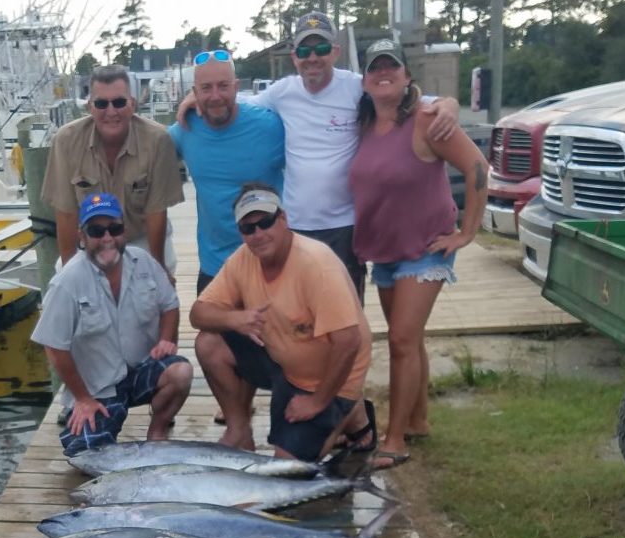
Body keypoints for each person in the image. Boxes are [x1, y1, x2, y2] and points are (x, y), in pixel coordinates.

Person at [248, 13, 459, 299]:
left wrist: (448, 104)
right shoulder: (281, 92)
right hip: (296, 224)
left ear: (335, 51)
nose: (313, 57)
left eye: (321, 49)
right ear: (294, 56)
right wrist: (193, 98)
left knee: (346, 314)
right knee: (300, 310)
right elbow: (237, 105)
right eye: (304, 50)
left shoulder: (356, 86)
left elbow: (407, 95)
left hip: (345, 227)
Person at [349, 38, 488, 468]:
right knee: (409, 340)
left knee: (401, 340)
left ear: (408, 76)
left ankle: (394, 438)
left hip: (426, 248)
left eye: (392, 66)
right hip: (384, 251)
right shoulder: (364, 125)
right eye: (375, 68)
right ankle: (419, 419)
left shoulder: (429, 120)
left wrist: (466, 232)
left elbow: (477, 166)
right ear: (366, 81)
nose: (383, 72)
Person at [189, 183, 372, 461]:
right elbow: (197, 314)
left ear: (283, 219)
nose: (258, 234)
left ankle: (349, 411)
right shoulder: (242, 259)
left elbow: (349, 342)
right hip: (283, 361)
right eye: (248, 228)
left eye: (265, 222)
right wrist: (235, 318)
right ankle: (239, 430)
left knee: (287, 468)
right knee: (208, 342)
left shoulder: (316, 263)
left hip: (327, 378)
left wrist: (317, 401)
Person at [32, 191, 192, 457]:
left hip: (141, 370)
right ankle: (94, 419)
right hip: (97, 389)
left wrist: (166, 339)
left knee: (181, 373)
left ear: (124, 231)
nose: (107, 238)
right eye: (96, 231)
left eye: (114, 229)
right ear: (82, 237)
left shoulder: (144, 262)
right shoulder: (67, 281)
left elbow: (170, 304)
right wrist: (82, 398)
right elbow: (54, 346)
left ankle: (158, 431)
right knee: (84, 454)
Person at [42, 64, 184, 275]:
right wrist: (69, 274)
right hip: (92, 238)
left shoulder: (157, 140)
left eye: (119, 102)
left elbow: (156, 213)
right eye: (101, 103)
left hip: (140, 237)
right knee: (65, 277)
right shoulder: (65, 141)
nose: (111, 112)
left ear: (133, 104)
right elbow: (66, 214)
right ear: (90, 107)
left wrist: (159, 271)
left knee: (155, 284)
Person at [168, 50, 285, 295]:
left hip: (270, 262)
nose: (215, 96)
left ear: (236, 87)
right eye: (206, 88)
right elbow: (143, 149)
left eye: (223, 86)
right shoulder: (185, 129)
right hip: (216, 265)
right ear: (194, 91)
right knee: (206, 334)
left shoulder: (270, 126)